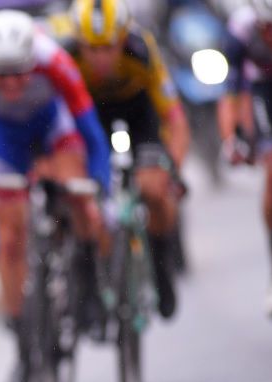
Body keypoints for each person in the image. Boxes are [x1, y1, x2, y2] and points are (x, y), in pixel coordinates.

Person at [0, 10, 111, 382]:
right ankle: (22, 337)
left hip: (53, 132)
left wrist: (98, 185)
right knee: (9, 236)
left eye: (20, 75)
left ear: (33, 62)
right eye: (1, 77)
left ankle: (88, 283)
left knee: (79, 198)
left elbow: (91, 134)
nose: (10, 86)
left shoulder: (56, 62)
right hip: (6, 144)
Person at [66, 0, 191, 319]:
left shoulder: (142, 50)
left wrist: (173, 166)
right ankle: (93, 278)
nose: (100, 58)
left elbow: (174, 117)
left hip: (139, 113)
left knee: (153, 189)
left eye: (108, 47)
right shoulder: (68, 57)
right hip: (92, 117)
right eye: (91, 49)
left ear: (123, 39)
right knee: (88, 199)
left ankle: (163, 268)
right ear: (79, 42)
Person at [219, 0, 272, 316]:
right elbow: (230, 94)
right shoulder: (241, 30)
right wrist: (231, 140)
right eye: (270, 30)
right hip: (265, 89)